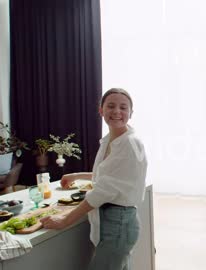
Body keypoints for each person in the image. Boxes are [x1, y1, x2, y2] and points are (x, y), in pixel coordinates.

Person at [40, 88, 148, 270]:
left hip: (118, 222)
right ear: (101, 110)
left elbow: (103, 191)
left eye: (123, 107)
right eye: (111, 106)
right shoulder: (111, 140)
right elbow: (111, 176)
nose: (117, 112)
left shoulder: (128, 143)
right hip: (116, 220)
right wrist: (77, 175)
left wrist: (65, 219)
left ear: (131, 113)